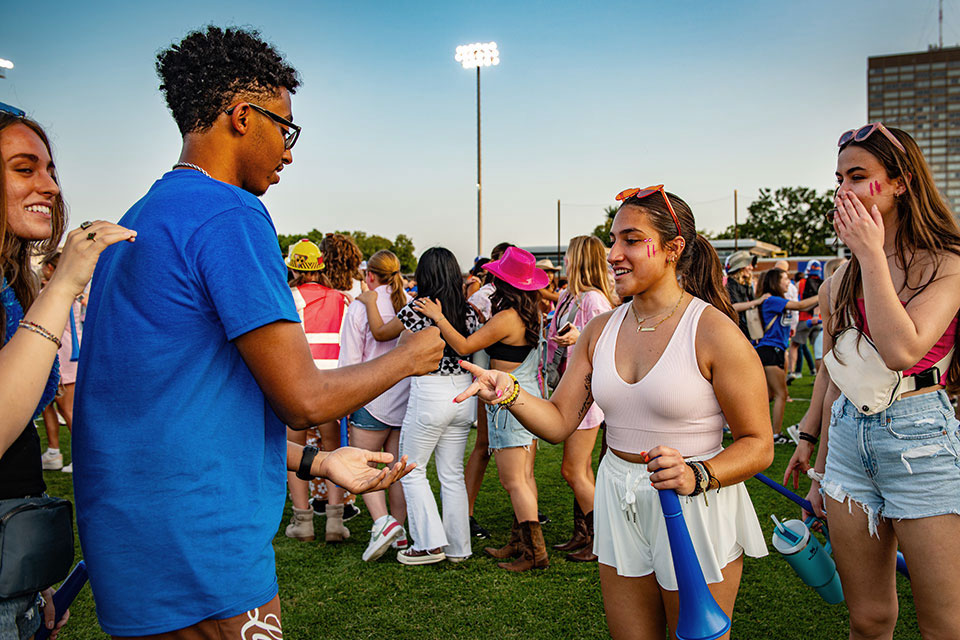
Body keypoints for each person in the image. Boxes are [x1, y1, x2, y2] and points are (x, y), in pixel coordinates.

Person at [72, 27, 442, 637]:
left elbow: (173, 406)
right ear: (243, 117)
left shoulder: (138, 219)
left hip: (132, 541)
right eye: (286, 129)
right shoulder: (231, 214)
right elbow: (304, 398)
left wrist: (318, 462)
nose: (290, 152)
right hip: (205, 545)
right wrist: (408, 354)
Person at [455, 185, 773, 638]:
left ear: (672, 249)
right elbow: (559, 421)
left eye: (630, 239)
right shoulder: (599, 330)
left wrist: (698, 474)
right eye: (612, 239)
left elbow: (759, 445)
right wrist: (509, 392)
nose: (613, 253)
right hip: (617, 496)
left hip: (693, 503)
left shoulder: (713, 332)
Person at [784, 124, 960, 639]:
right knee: (868, 617)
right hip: (846, 445)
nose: (843, 191)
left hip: (919, 439)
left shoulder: (946, 263)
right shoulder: (839, 279)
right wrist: (815, 454)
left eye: (858, 177)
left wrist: (870, 255)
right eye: (839, 178)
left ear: (901, 183)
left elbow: (902, 350)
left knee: (944, 623)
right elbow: (836, 372)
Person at [0, 104, 134, 640]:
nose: (50, 186)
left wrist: (28, 583)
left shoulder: (10, 287)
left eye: (51, 169)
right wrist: (63, 286)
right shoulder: (44, 290)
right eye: (24, 168)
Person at [414, 247, 551, 572]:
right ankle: (520, 541)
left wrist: (439, 318)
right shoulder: (533, 312)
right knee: (525, 476)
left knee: (513, 480)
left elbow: (463, 346)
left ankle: (534, 553)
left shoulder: (507, 317)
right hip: (526, 394)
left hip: (508, 401)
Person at [360, 247, 480, 565]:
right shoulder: (467, 310)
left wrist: (370, 302)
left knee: (411, 469)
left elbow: (380, 332)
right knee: (452, 474)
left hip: (430, 392)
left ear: (424, 276)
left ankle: (427, 544)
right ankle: (459, 547)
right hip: (462, 394)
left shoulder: (418, 308)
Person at [544, 235, 616, 562]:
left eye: (569, 256)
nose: (564, 262)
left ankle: (602, 538)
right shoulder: (567, 296)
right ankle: (582, 534)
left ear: (579, 259)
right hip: (566, 388)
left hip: (584, 395)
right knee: (582, 468)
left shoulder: (593, 300)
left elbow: (611, 346)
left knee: (572, 471)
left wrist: (579, 337)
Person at [339, 249, 412, 560]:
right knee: (395, 468)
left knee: (364, 466)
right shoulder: (408, 304)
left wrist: (344, 400)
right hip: (403, 397)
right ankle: (398, 531)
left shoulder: (360, 308)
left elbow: (351, 361)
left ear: (369, 275)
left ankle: (382, 522)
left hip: (370, 397)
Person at [280, 238, 354, 543]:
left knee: (295, 450)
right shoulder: (342, 299)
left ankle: (303, 521)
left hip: (296, 383)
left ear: (293, 266)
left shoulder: (286, 296)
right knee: (332, 450)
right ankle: (335, 522)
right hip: (332, 385)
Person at [465, 241, 513, 539]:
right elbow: (469, 337)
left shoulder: (518, 297)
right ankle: (466, 513)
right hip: (492, 378)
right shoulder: (485, 295)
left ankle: (526, 510)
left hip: (514, 380)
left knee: (517, 450)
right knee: (484, 445)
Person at [754, 268, 819, 444]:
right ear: (775, 281)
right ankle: (775, 435)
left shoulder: (777, 300)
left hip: (776, 350)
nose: (788, 282)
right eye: (784, 279)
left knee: (768, 396)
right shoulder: (772, 300)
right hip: (770, 350)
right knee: (782, 394)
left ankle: (754, 430)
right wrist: (824, 292)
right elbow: (800, 306)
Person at [37, 251, 82, 473]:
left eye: (46, 267)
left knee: (68, 409)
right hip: (54, 354)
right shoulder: (66, 293)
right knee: (47, 404)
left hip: (63, 355)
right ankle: (53, 451)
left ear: (53, 269)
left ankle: (79, 457)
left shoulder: (57, 293)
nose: (43, 271)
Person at [723, 250, 767, 339]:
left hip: (748, 328)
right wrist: (758, 301)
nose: (751, 268)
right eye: (748, 264)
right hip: (738, 329)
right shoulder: (732, 284)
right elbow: (734, 307)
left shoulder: (746, 284)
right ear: (740, 267)